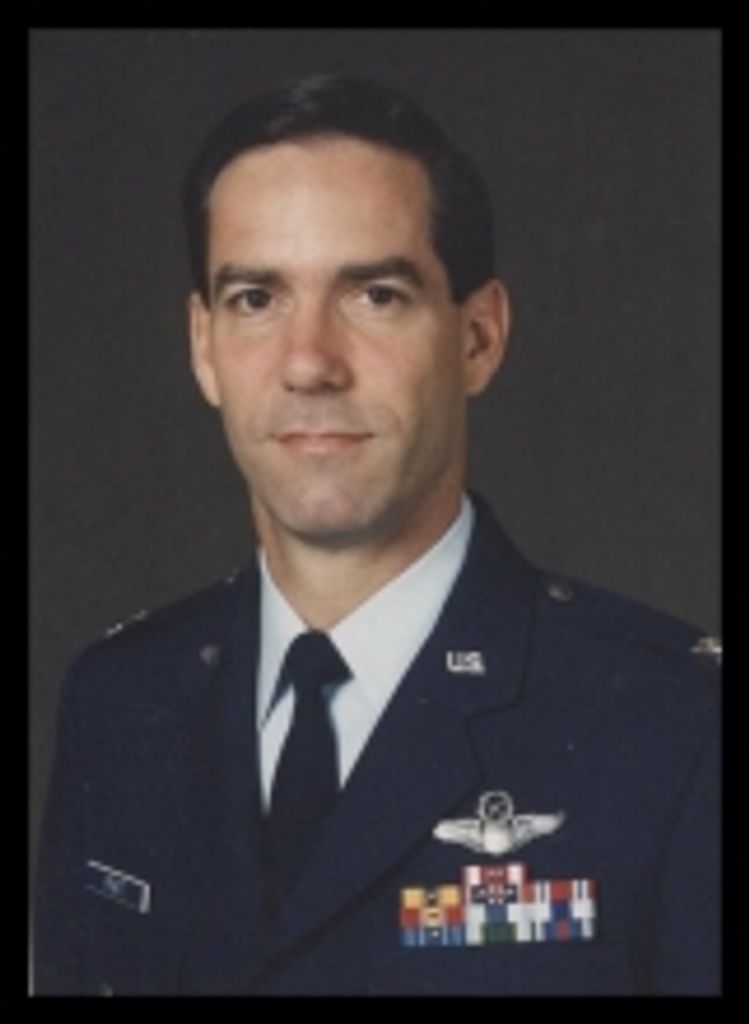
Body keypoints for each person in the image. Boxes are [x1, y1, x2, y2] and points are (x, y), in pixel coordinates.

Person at [33, 73, 720, 996]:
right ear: (203, 346)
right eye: (255, 298)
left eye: (375, 296)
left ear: (477, 338)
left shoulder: (670, 724)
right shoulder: (120, 705)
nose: (308, 363)